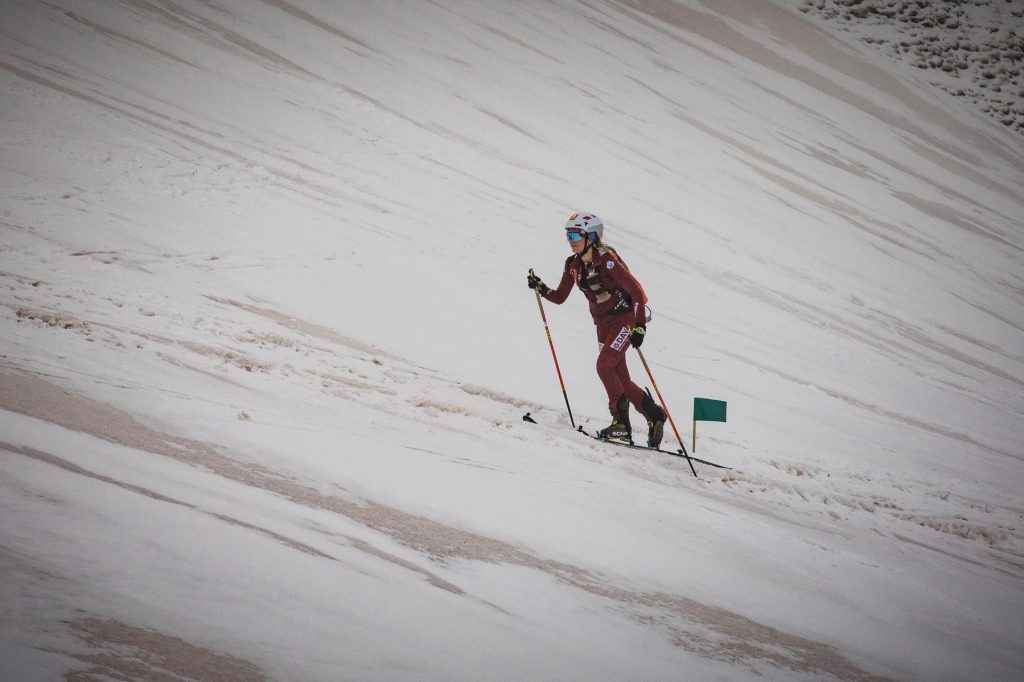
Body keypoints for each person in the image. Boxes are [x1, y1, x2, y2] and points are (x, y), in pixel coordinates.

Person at [528, 212, 667, 447]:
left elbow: (637, 293)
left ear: (591, 237)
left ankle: (620, 424)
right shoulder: (572, 264)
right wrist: (541, 288)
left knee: (603, 366)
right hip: (602, 325)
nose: (570, 240)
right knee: (620, 378)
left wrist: (640, 326)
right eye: (567, 235)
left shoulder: (607, 261)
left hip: (624, 320)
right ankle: (654, 415)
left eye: (575, 235)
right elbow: (560, 297)